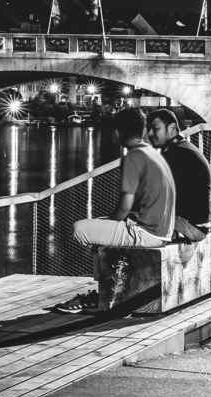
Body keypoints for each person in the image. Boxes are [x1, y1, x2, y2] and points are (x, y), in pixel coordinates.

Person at [54, 107, 175, 313]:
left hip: (147, 233)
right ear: (142, 130)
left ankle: (102, 294)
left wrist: (114, 222)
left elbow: (125, 205)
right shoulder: (153, 154)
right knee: (102, 225)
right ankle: (106, 287)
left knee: (79, 229)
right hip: (162, 230)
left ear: (118, 132)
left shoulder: (134, 156)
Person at [146, 108, 211, 242]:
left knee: (129, 224)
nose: (150, 133)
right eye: (148, 129)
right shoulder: (184, 148)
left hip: (189, 227)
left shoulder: (175, 154)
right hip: (199, 226)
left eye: (155, 128)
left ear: (172, 127)